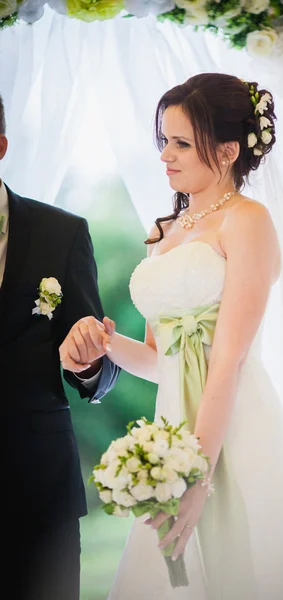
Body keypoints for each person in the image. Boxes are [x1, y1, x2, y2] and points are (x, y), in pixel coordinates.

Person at [61, 73, 283, 600]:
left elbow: (228, 360)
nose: (165, 156)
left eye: (181, 143)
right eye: (163, 142)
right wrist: (101, 341)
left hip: (236, 422)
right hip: (174, 423)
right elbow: (157, 361)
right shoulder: (162, 234)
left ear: (227, 150)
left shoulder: (248, 222)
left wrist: (198, 477)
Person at [0, 94, 120, 600]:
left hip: (37, 485)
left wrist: (89, 360)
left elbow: (98, 357)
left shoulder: (62, 233)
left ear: (1, 146)